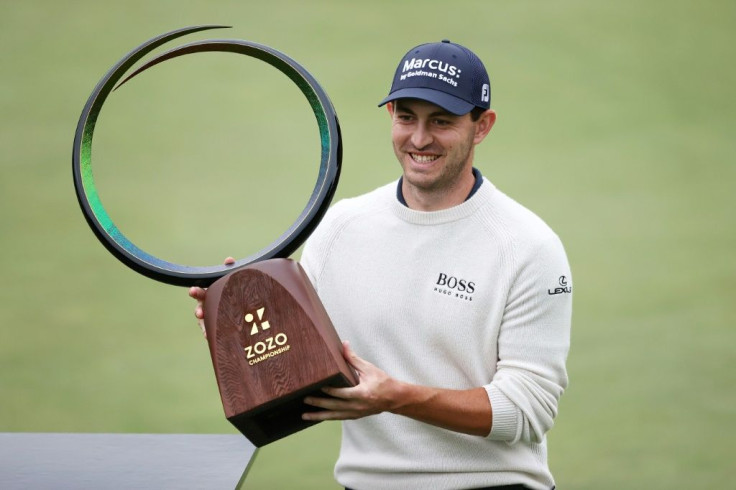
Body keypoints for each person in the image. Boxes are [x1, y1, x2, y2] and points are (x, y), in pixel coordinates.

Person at [191, 39, 572, 490]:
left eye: (442, 122)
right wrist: (237, 327)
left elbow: (527, 410)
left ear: (482, 125)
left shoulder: (528, 246)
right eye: (406, 116)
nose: (419, 138)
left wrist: (398, 398)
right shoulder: (339, 229)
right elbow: (298, 361)